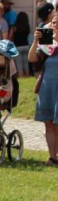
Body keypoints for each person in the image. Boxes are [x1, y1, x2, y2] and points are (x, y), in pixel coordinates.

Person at [29, 15, 58, 164]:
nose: (55, 25)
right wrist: (35, 41)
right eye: (53, 23)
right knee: (49, 122)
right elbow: (32, 58)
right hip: (48, 85)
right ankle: (52, 156)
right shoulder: (47, 41)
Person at [12, 11, 32, 77]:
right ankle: (27, 75)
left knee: (19, 64)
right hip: (26, 46)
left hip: (18, 47)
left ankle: (21, 77)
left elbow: (11, 37)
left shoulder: (14, 27)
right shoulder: (27, 27)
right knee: (26, 63)